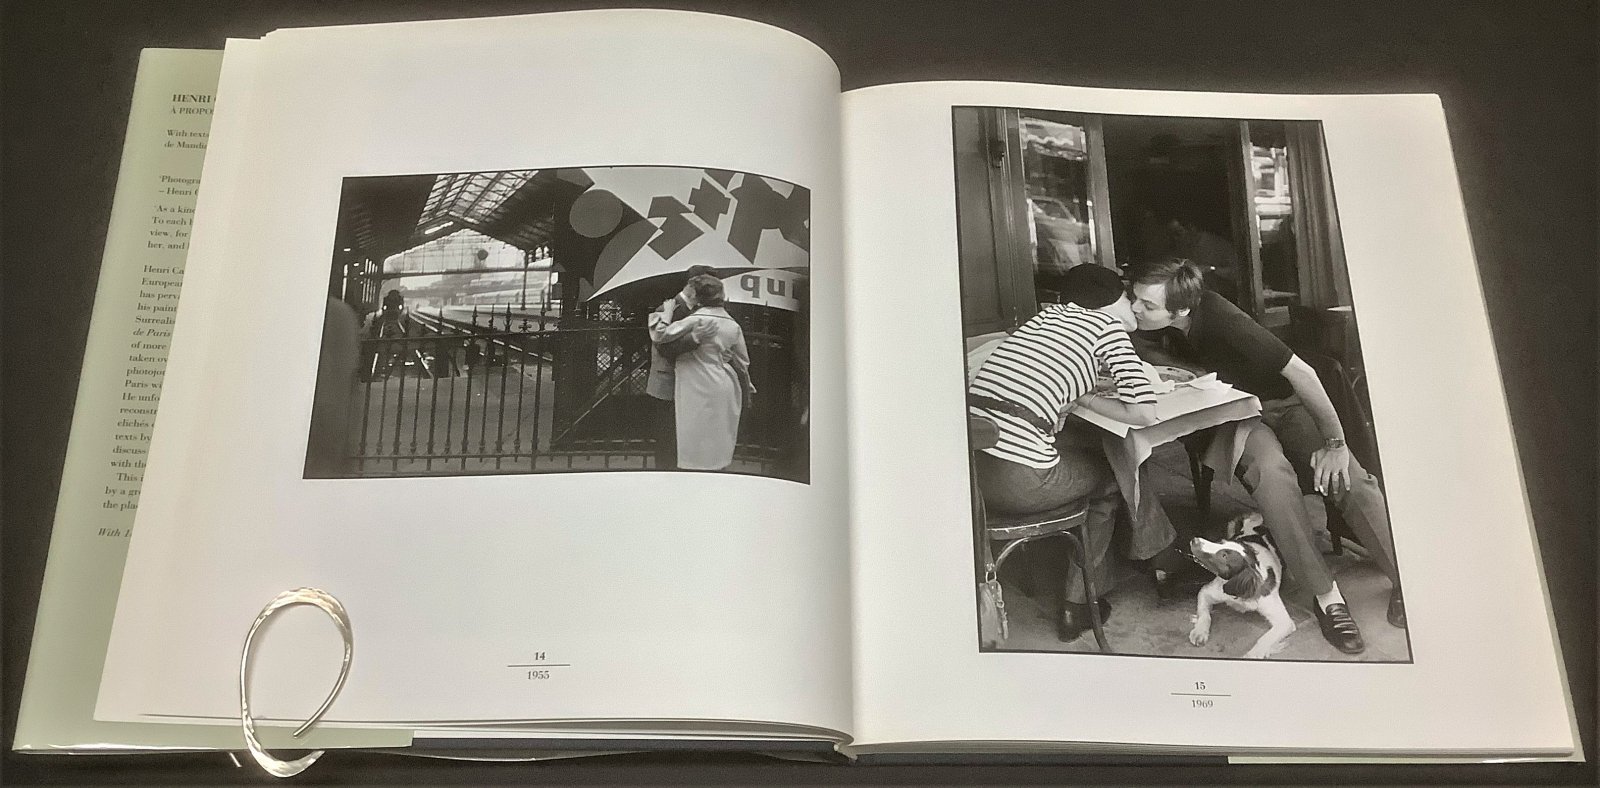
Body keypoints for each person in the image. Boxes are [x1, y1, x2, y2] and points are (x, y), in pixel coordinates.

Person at [1126, 257, 1404, 655]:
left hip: (1285, 404)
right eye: (1134, 298)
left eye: (1147, 305)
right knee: (1271, 475)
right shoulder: (1155, 326)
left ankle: (1406, 578)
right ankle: (1327, 596)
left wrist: (1335, 445)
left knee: (1349, 477)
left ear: (1182, 310)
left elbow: (1304, 374)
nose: (1135, 308)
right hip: (1240, 414)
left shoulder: (1223, 318)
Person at [966, 264, 1159, 642]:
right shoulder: (1107, 328)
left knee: (1081, 449)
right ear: (1110, 302)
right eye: (1127, 298)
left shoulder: (1045, 319)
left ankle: (1154, 550)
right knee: (1115, 472)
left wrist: (1076, 396)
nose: (1134, 308)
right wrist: (1087, 398)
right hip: (1021, 482)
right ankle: (1079, 604)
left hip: (973, 477)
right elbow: (1144, 412)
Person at [650, 274, 752, 471]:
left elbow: (660, 335)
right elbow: (743, 362)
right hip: (723, 381)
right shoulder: (733, 324)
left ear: (697, 296)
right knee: (716, 433)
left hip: (696, 382)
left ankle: (691, 471)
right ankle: (714, 470)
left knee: (692, 434)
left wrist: (667, 315)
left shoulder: (696, 320)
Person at [643, 264, 715, 469]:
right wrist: (694, 339)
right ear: (692, 286)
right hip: (667, 384)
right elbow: (664, 348)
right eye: (706, 288)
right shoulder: (668, 309)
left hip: (688, 383)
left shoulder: (698, 311)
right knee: (667, 439)